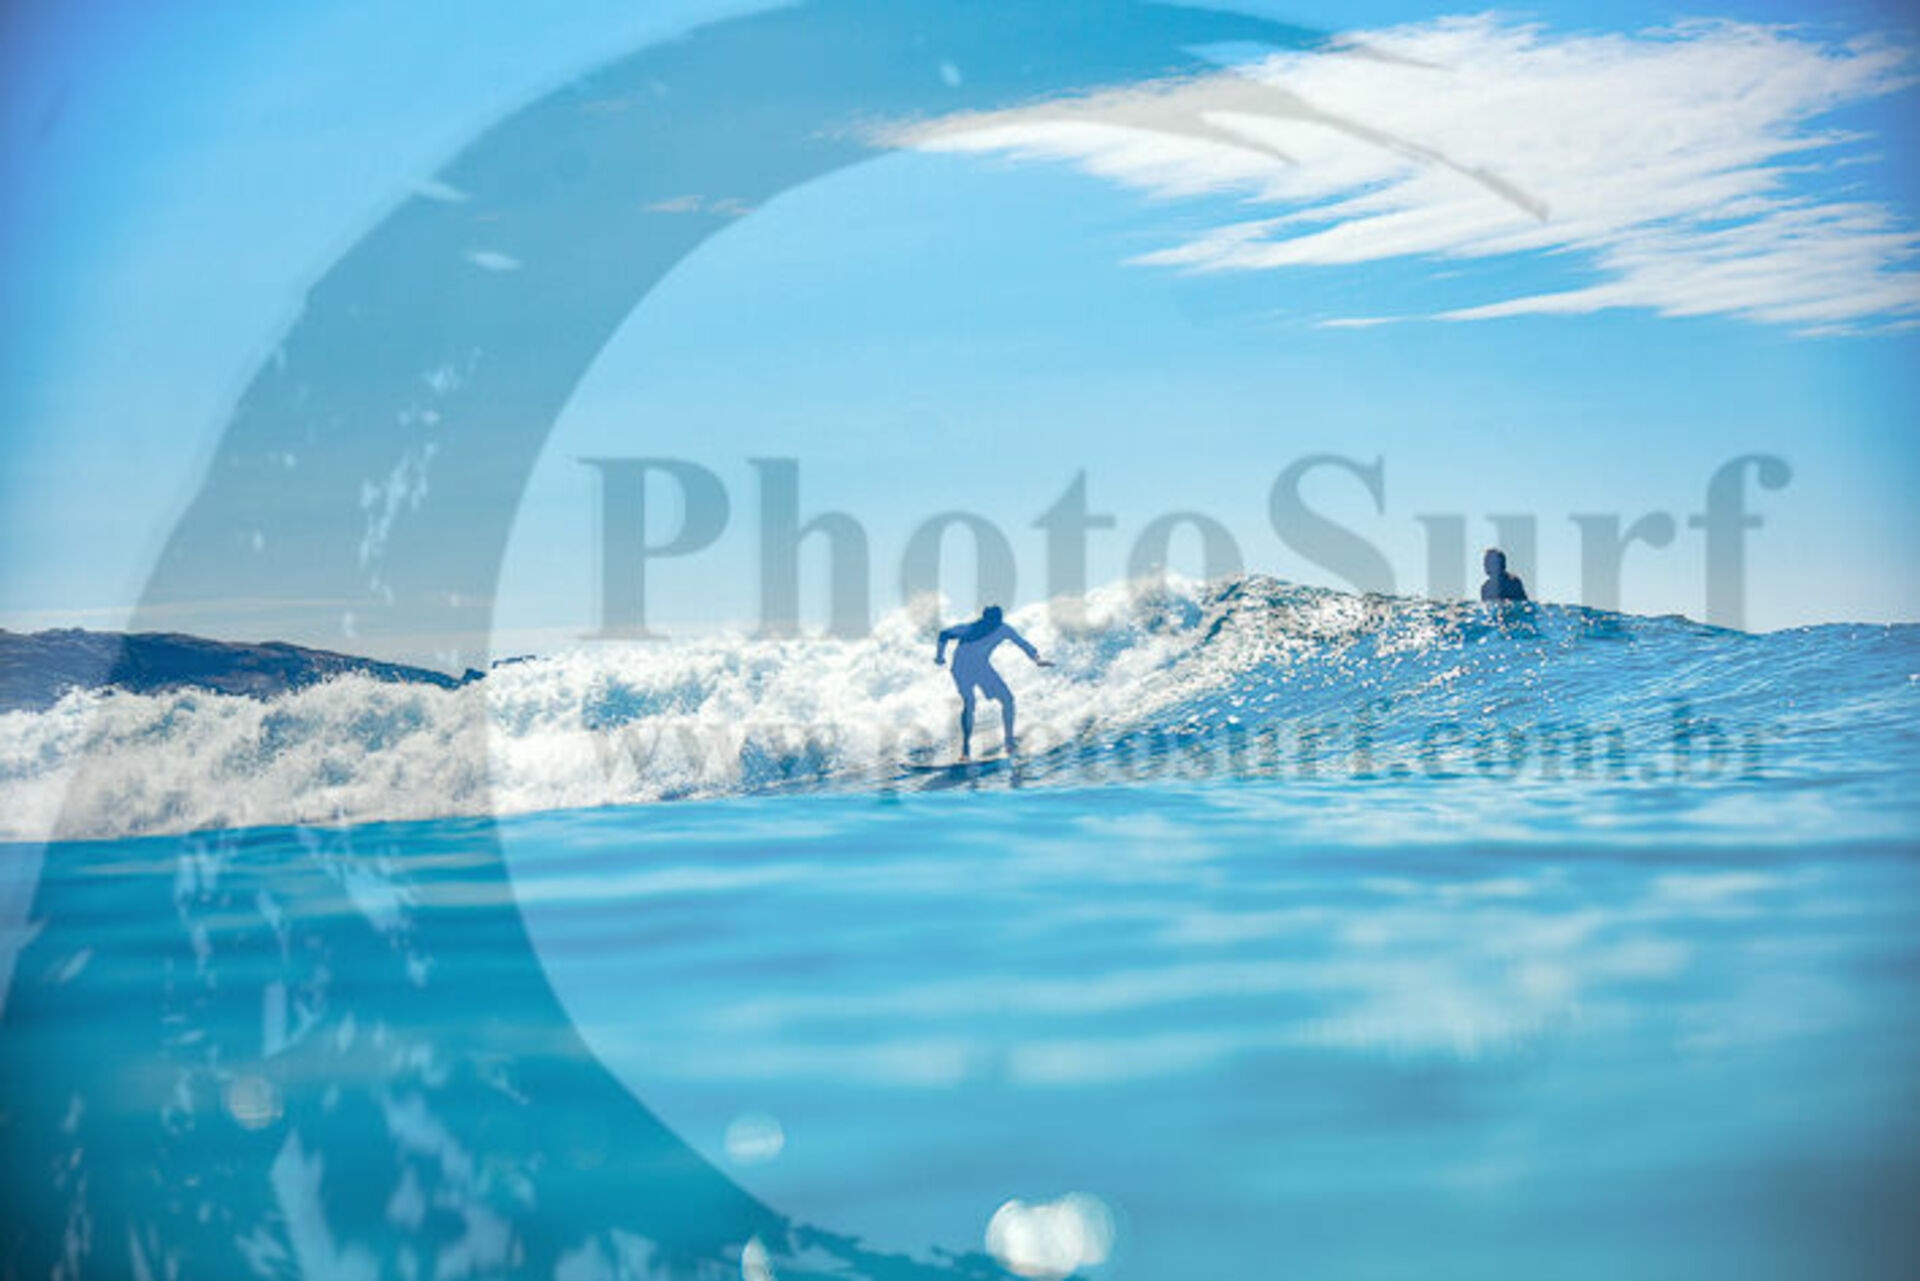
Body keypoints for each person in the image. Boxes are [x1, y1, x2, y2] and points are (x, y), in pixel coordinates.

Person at [934, 605, 1052, 761]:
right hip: (961, 669)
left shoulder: (1003, 628)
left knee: (1008, 699)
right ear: (984, 619)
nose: (992, 627)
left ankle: (1009, 742)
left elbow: (1022, 643)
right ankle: (965, 749)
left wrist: (1037, 660)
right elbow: (944, 634)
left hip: (981, 667)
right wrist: (940, 656)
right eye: (990, 622)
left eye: (996, 622)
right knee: (970, 703)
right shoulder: (969, 629)